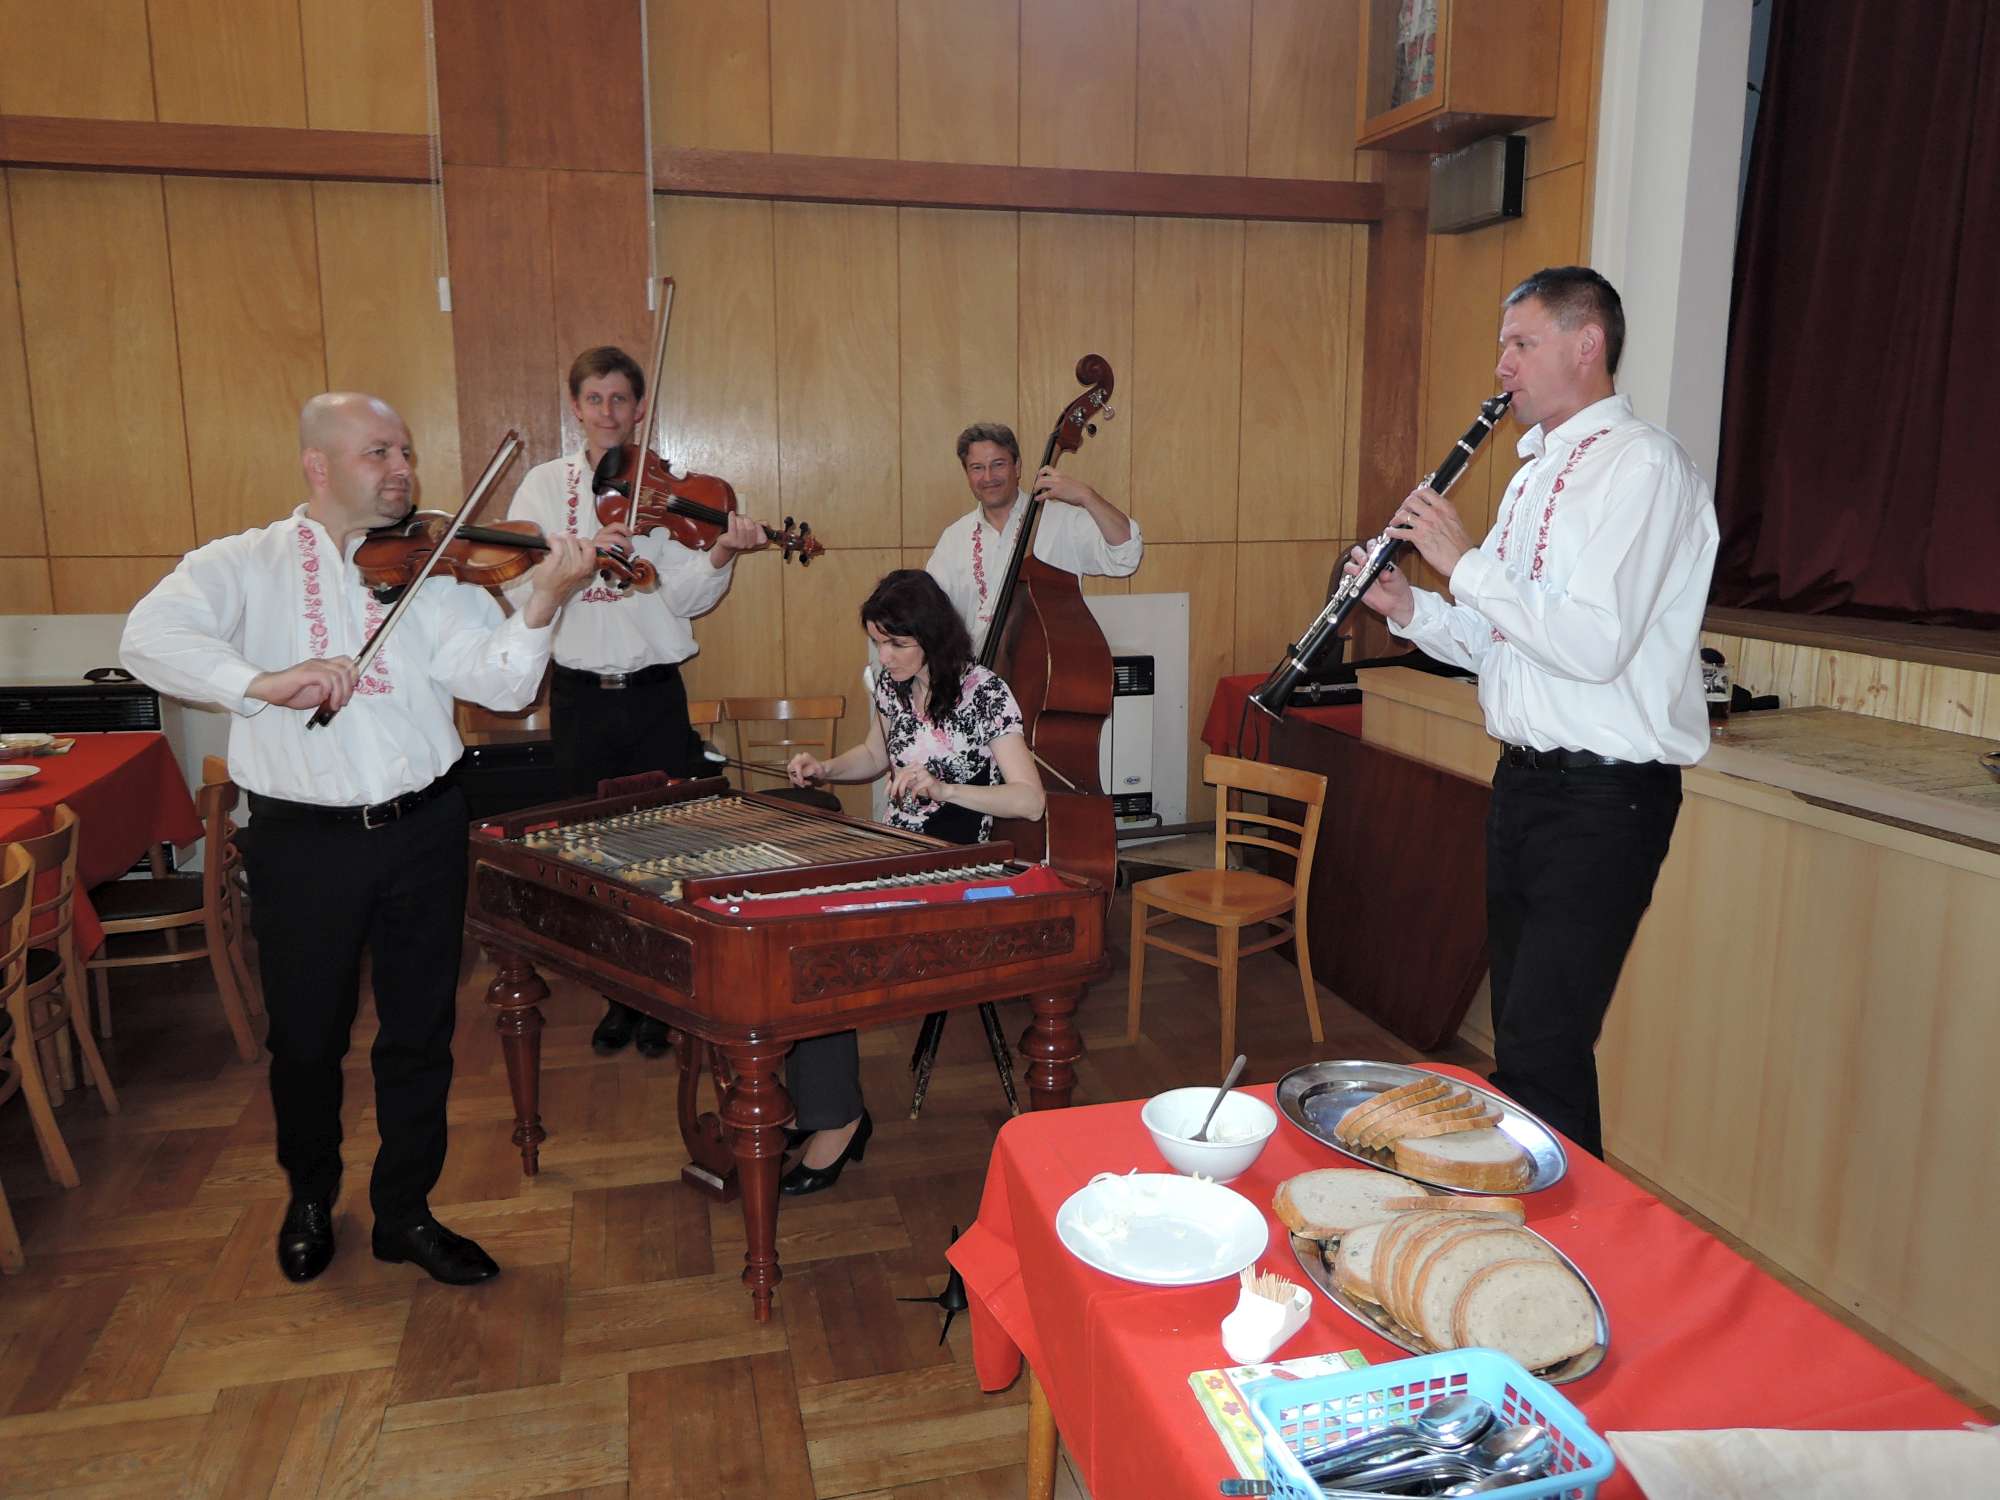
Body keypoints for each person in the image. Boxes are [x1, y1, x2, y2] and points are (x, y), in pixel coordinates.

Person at [120, 392, 598, 1285]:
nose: (402, 469)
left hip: (425, 829)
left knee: (420, 1032)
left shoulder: (437, 567)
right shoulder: (245, 562)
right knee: (306, 1037)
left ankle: (404, 1212)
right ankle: (309, 1195)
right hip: (303, 843)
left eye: (404, 451)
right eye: (379, 452)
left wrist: (543, 601)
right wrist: (259, 681)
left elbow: (499, 688)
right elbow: (146, 638)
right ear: (319, 465)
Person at [1346, 266, 1718, 1159]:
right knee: (1527, 1043)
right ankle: (1544, 1220)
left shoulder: (1643, 468)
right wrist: (1410, 607)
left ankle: (1571, 1230)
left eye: (1522, 343)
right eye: (1503, 346)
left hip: (1606, 798)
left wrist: (1464, 562)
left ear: (1587, 345)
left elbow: (1595, 645)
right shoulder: (1533, 475)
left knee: (1544, 1047)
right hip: (1525, 787)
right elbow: (1503, 642)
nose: (1502, 366)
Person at [504, 346, 767, 1059]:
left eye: (620, 399)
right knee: (592, 853)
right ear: (575, 407)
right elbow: (516, 584)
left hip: (653, 695)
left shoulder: (663, 489)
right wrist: (583, 553)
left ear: (640, 407)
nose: (608, 412)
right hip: (580, 697)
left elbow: (685, 597)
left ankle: (662, 997)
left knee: (666, 847)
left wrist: (722, 553)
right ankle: (617, 995)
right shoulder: (542, 486)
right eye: (595, 399)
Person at [780, 570, 1046, 1195]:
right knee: (797, 927)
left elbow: (1030, 801)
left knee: (826, 950)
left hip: (959, 867)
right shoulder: (889, 684)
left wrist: (944, 788)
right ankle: (821, 1104)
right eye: (877, 642)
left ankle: (838, 1119)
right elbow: (877, 756)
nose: (884, 657)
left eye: (897, 643)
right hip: (898, 854)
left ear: (931, 636)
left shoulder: (984, 692)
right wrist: (826, 768)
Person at [925, 421, 1143, 653]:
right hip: (978, 671)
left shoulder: (1062, 521)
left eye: (998, 464)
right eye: (977, 468)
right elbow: (930, 614)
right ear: (967, 474)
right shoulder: (954, 538)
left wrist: (1086, 496)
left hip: (1052, 668)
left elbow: (1126, 557)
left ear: (1017, 467)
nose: (988, 477)